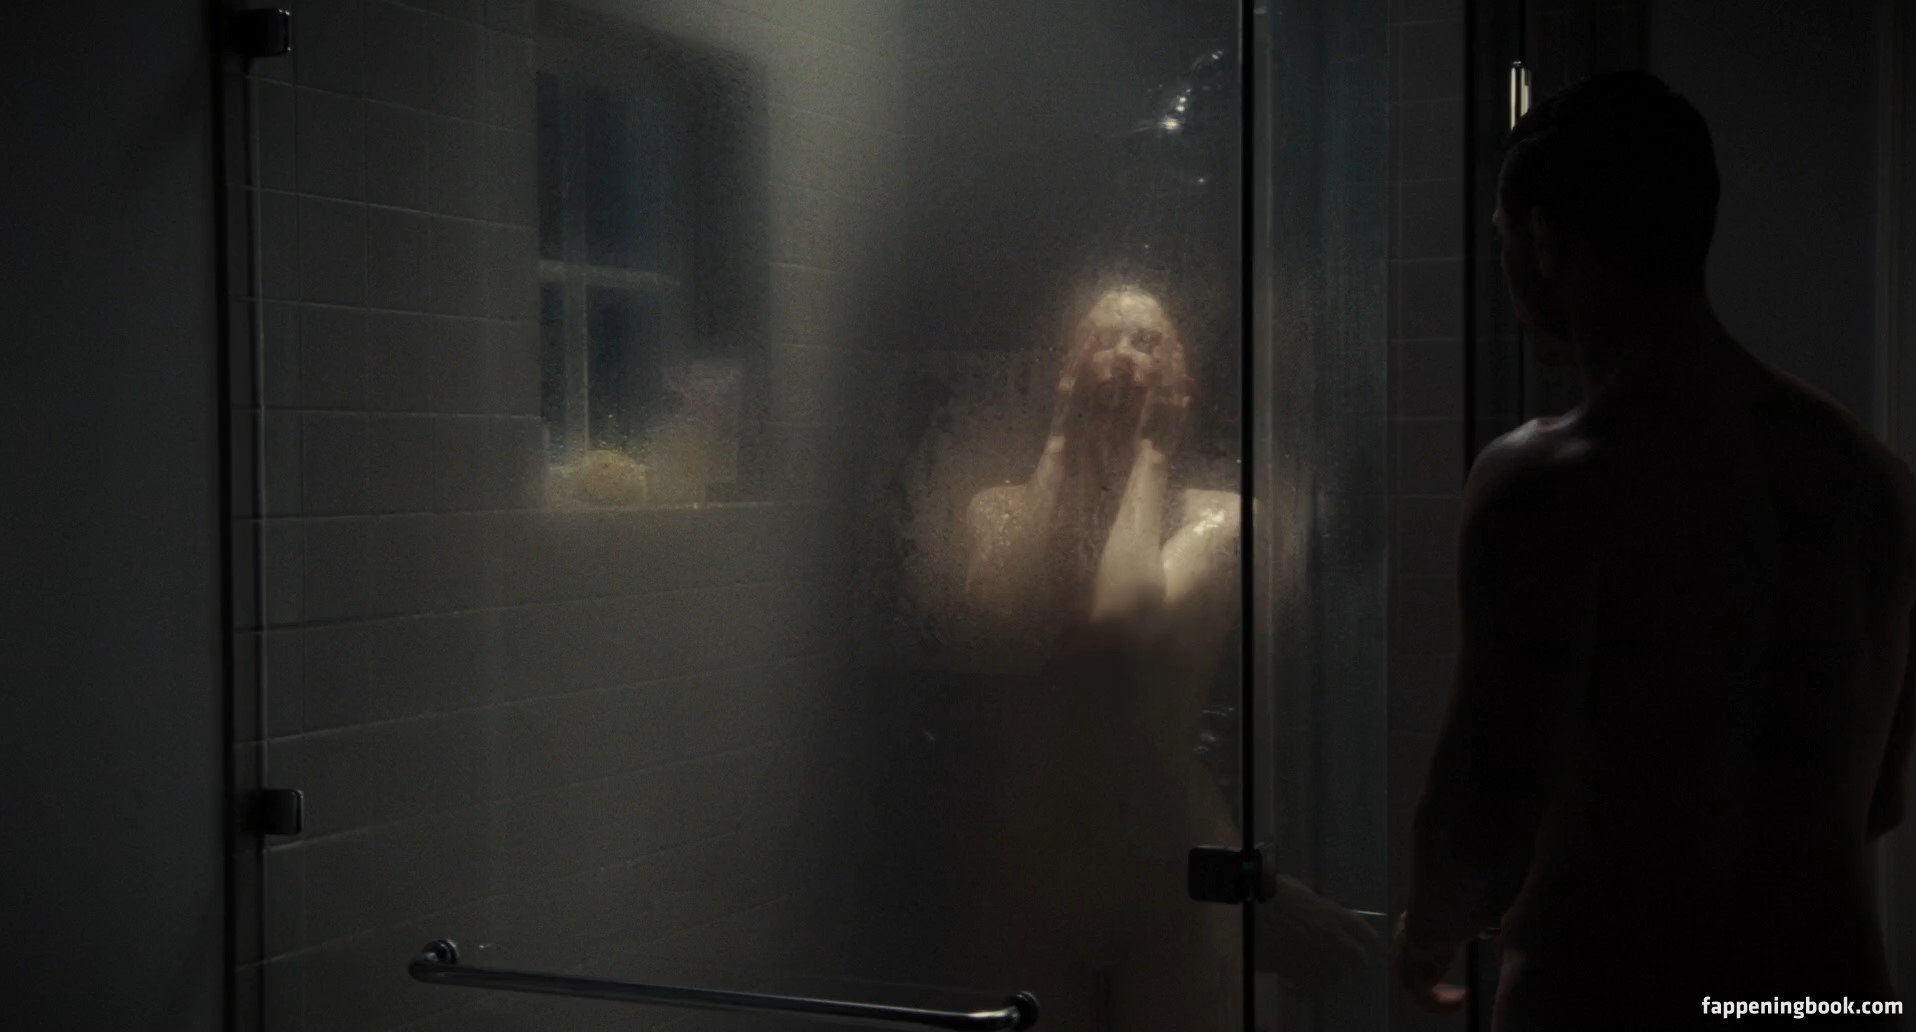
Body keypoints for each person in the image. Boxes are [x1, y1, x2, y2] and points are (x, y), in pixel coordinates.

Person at [1391, 72, 1916, 1029]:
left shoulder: (1551, 477)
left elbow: (1481, 817)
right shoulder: (1871, 476)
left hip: (1619, 997)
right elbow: (1878, 798)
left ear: (1544, 239)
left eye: (1504, 240)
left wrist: (1427, 932)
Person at [959, 283, 1375, 1029]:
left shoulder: (1226, 520)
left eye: (1146, 341)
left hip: (1172, 869)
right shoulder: (995, 511)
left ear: (1184, 382)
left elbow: (1126, 627)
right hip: (1038, 867)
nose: (1122, 356)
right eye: (1101, 339)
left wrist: (1152, 456)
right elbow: (1005, 609)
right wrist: (1059, 440)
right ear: (1063, 371)